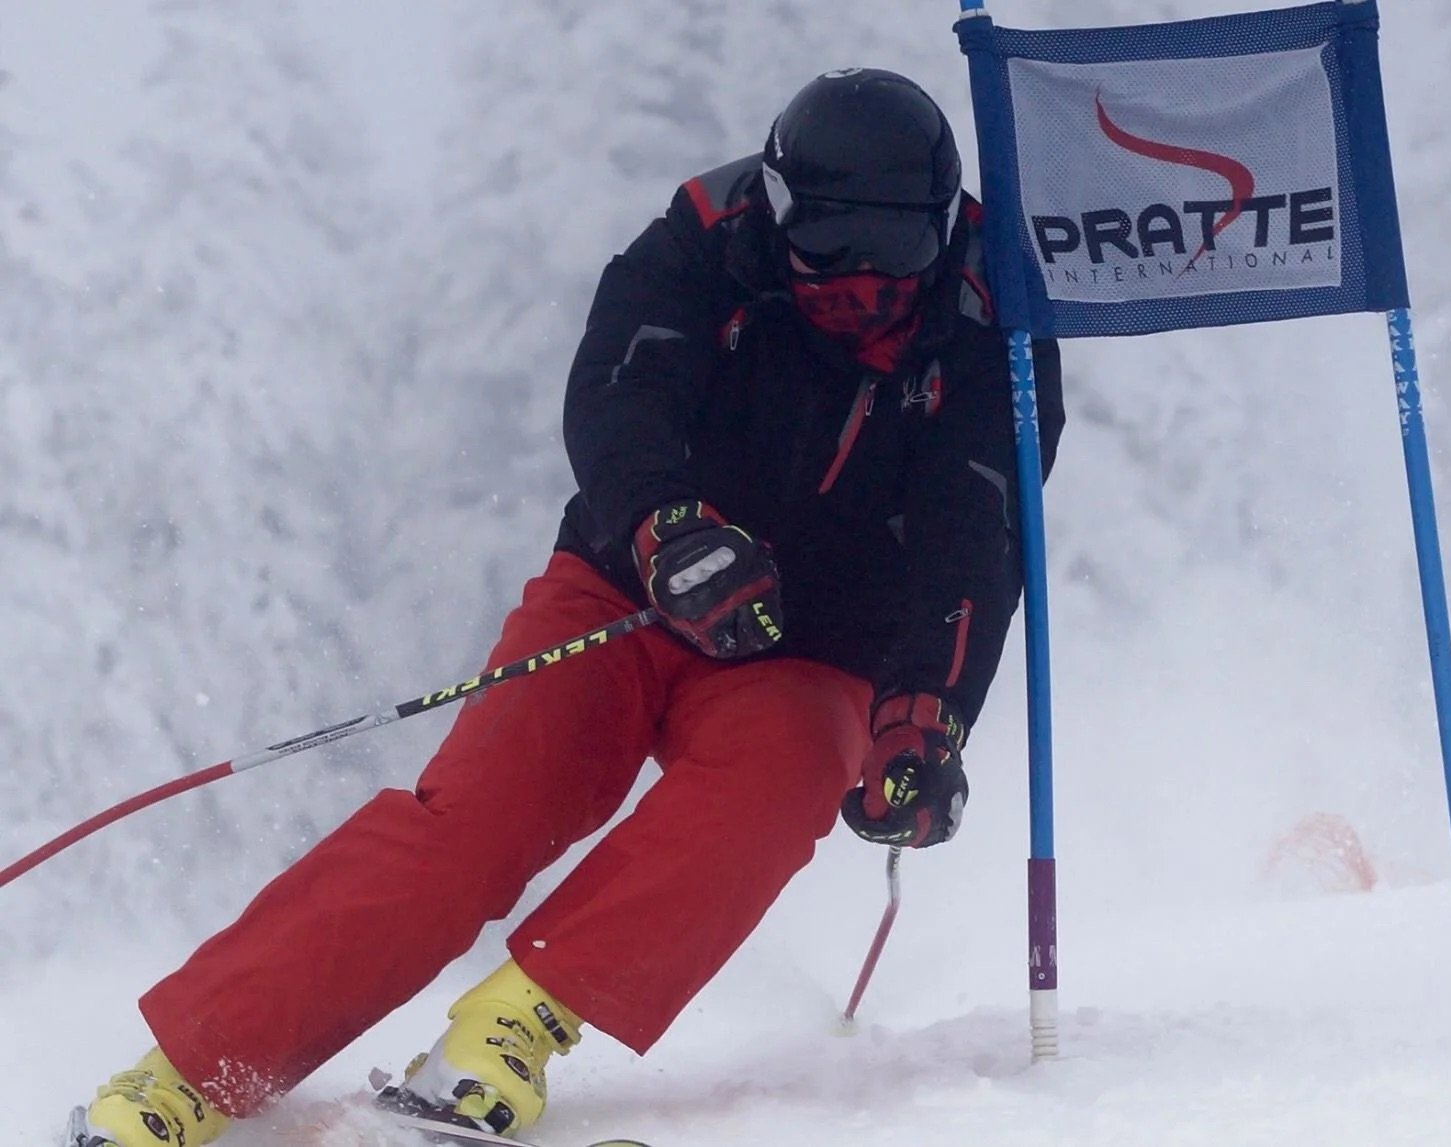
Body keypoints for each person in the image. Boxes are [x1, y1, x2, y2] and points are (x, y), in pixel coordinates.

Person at [73, 67, 1062, 1147]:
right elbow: (615, 394)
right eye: (824, 253)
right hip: (629, 595)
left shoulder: (991, 328)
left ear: (940, 227)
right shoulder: (705, 239)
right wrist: (668, 529)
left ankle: (508, 1033)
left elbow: (975, 544)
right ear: (776, 209)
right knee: (476, 824)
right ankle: (186, 1073)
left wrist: (923, 716)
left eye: (893, 259)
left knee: (770, 790)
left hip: (810, 647)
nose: (857, 288)